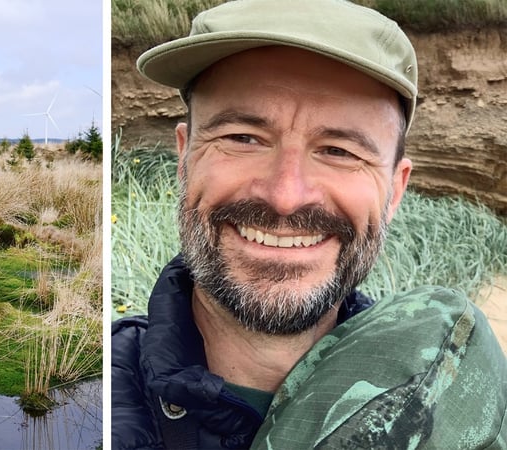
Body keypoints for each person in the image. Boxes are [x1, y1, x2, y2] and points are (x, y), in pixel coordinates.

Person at [111, 0, 507, 448]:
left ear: (395, 191)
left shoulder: (456, 397)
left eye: (339, 151)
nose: (285, 196)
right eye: (243, 138)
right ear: (185, 158)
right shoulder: (95, 394)